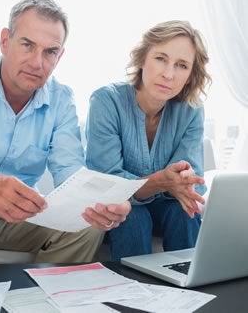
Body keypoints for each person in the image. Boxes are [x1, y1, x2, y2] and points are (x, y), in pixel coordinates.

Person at [0, 0, 131, 264]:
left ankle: (38, 299)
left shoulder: (61, 100)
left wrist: (107, 204)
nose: (37, 62)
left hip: (18, 218)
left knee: (88, 222)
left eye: (50, 51)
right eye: (27, 45)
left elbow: (71, 176)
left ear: (60, 56)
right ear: (4, 41)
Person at [86, 20, 211, 261]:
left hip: (168, 209)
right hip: (122, 211)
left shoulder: (191, 110)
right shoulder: (106, 101)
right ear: (143, 58)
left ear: (189, 76)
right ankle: (134, 295)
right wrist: (162, 181)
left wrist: (182, 183)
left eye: (182, 65)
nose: (168, 74)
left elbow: (188, 183)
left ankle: (189, 292)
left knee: (185, 211)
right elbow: (109, 184)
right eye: (161, 58)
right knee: (132, 215)